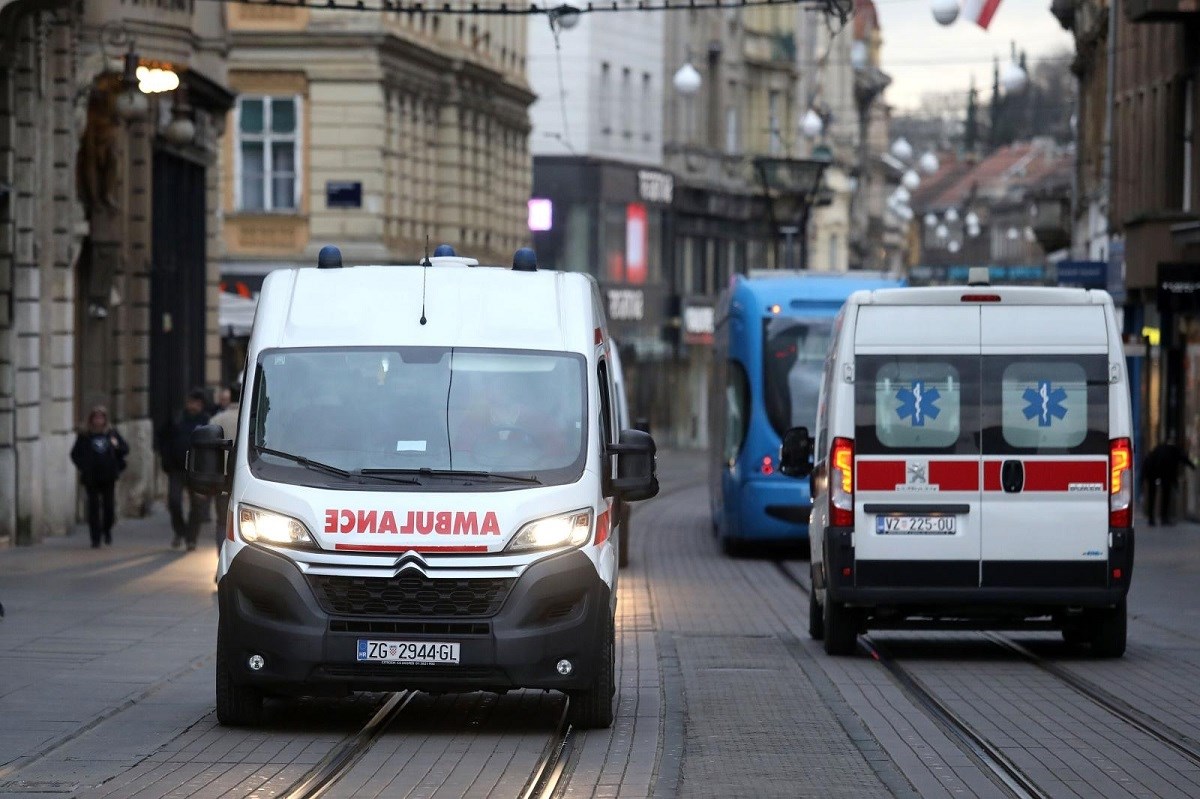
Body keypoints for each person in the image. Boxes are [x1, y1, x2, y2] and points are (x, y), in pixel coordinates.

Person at [157, 388, 211, 550]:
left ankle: (191, 538)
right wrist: (166, 457)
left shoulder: (206, 421)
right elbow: (163, 437)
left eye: (196, 403)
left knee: (197, 505)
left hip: (196, 470)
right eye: (191, 402)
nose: (193, 405)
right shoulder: (177, 418)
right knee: (174, 501)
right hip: (177, 468)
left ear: (201, 405)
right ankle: (180, 531)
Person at [70, 406, 129, 548]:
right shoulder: (85, 436)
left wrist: (116, 447)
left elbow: (125, 449)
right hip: (91, 477)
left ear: (105, 419)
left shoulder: (112, 433)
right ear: (91, 420)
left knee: (109, 507)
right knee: (93, 508)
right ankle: (95, 538)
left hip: (108, 476)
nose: (98, 420)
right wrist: (83, 466)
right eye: (95, 418)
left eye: (101, 418)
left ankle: (107, 530)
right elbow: (75, 454)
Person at [209, 384, 240, 551]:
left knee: (222, 522)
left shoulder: (217, 420)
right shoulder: (253, 418)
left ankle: (221, 559)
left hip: (222, 477)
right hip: (247, 478)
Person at [1141, 435, 1196, 526]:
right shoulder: (1174, 451)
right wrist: (1193, 466)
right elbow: (1184, 459)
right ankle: (1163, 518)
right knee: (1165, 495)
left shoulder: (1161, 449)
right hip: (1161, 473)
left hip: (1152, 472)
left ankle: (1152, 518)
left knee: (1153, 495)